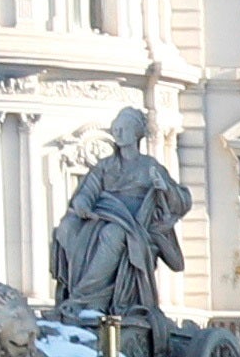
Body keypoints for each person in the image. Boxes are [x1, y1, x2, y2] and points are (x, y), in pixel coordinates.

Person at [49, 109, 188, 326]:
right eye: (116, 128)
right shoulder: (105, 166)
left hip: (135, 226)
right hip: (105, 215)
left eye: (123, 128)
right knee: (67, 228)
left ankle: (85, 300)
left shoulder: (149, 166)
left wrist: (165, 188)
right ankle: (78, 295)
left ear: (136, 134)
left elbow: (181, 200)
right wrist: (83, 204)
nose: (118, 132)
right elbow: (87, 191)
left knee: (113, 234)